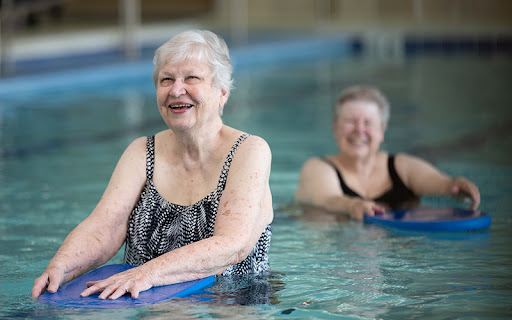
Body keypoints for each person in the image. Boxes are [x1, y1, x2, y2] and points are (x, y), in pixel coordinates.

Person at [32, 30, 273, 300]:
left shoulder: (250, 151)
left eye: (191, 78)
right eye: (166, 79)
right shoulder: (141, 152)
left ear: (222, 92)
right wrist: (62, 266)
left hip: (228, 304)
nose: (176, 90)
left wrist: (146, 273)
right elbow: (105, 226)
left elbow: (232, 245)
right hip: (141, 304)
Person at [295, 85, 480, 221]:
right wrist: (353, 205)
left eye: (368, 123)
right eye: (350, 121)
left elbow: (441, 183)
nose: (359, 130)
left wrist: (455, 187)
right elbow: (328, 199)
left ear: (382, 131)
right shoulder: (317, 168)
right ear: (335, 128)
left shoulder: (402, 167)